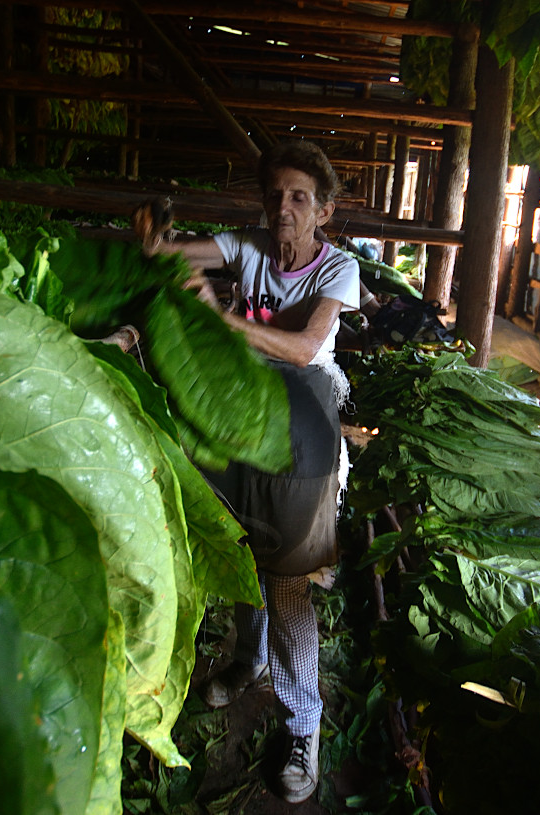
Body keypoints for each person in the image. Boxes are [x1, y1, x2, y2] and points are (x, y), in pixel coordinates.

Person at [135, 140, 361, 804]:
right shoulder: (247, 246)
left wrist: (220, 318)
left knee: (289, 584)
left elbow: (305, 346)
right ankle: (246, 657)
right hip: (237, 416)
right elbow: (169, 256)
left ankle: (301, 726)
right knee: (240, 549)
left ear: (323, 209)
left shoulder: (337, 268)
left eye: (298, 198)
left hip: (304, 435)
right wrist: (156, 236)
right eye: (274, 195)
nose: (283, 209)